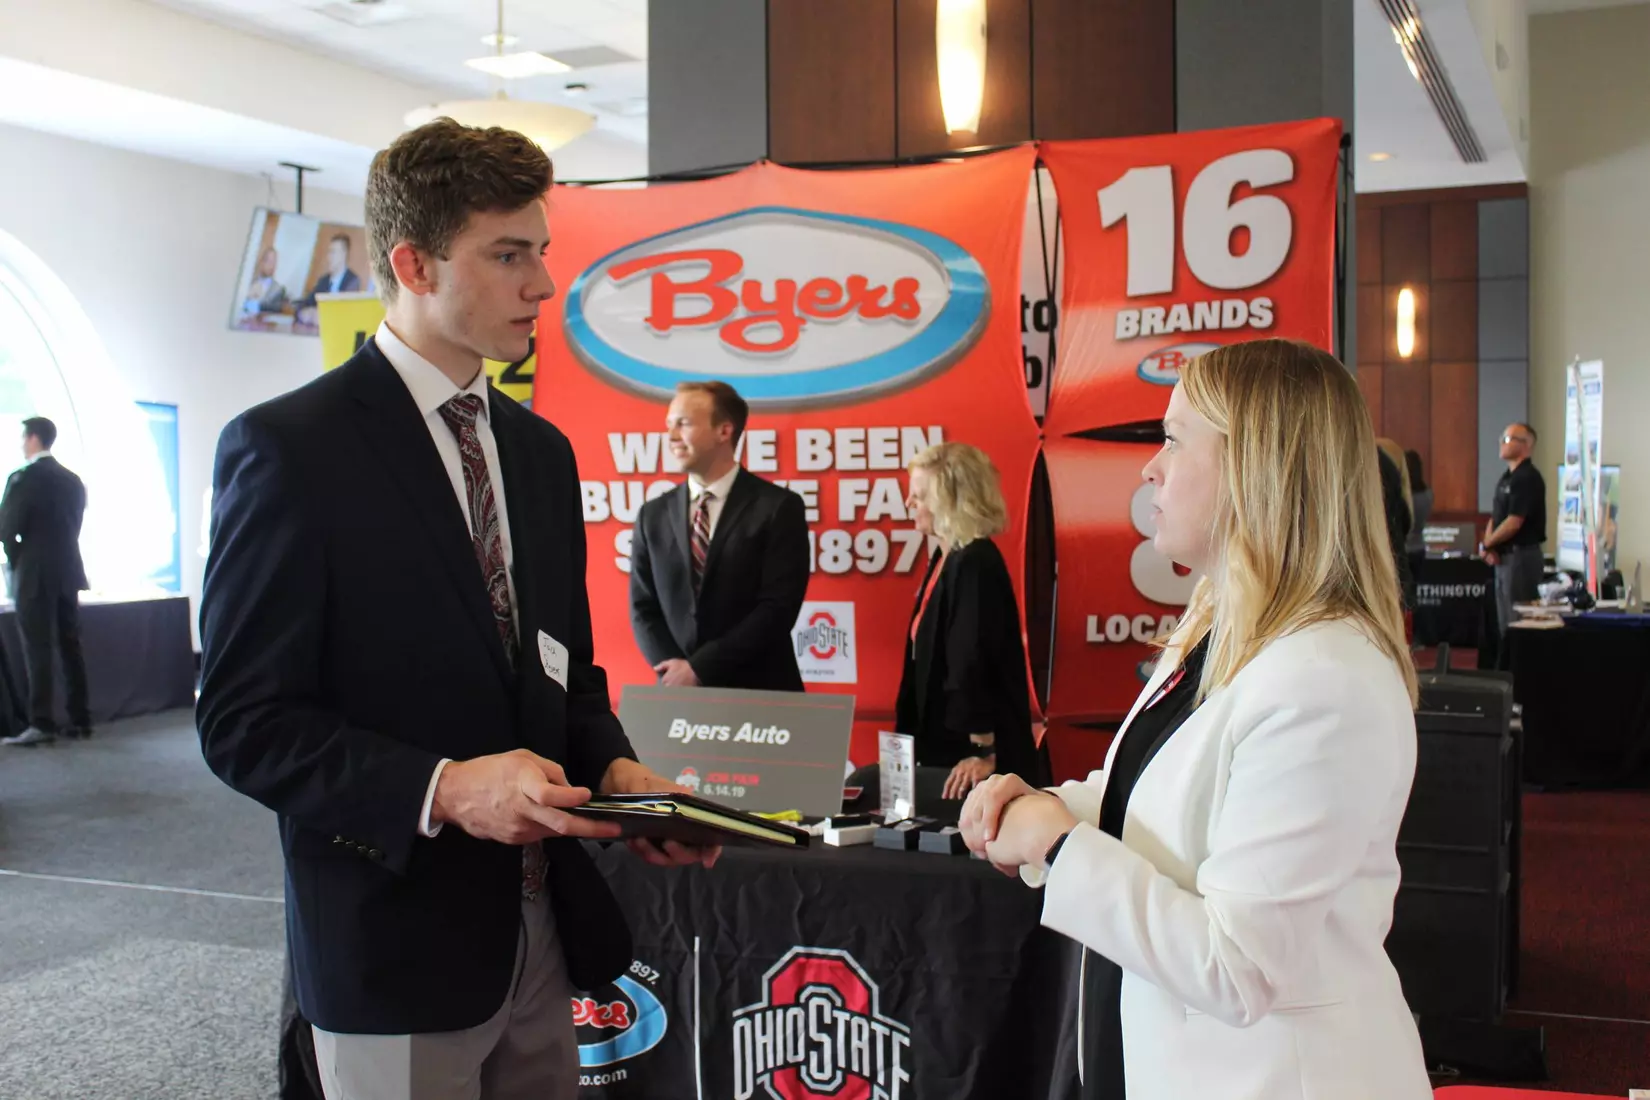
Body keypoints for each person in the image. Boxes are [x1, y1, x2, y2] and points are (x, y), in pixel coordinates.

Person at [197, 118, 716, 1100]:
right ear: (414, 263)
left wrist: (615, 769)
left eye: (543, 252)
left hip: (545, 934)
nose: (544, 285)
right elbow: (242, 722)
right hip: (394, 941)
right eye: (509, 254)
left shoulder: (539, 451)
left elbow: (564, 673)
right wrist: (443, 786)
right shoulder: (291, 450)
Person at [959, 339, 1430, 1100]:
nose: (1150, 468)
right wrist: (1046, 801)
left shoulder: (1326, 681)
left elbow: (1236, 966)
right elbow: (1147, 797)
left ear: (1255, 467)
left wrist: (1059, 840)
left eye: (1174, 440)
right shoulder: (1222, 622)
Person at [629, 381, 810, 690]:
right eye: (669, 425)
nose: (671, 436)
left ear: (724, 431)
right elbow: (643, 608)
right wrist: (675, 672)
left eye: (683, 424)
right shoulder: (652, 515)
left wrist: (700, 669)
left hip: (760, 693)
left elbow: (778, 607)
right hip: (678, 698)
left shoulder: (778, 507)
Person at [897, 442, 1047, 802]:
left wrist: (983, 752)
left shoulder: (975, 563)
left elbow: (971, 662)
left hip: (972, 763)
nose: (908, 503)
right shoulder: (946, 556)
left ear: (952, 499)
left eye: (919, 495)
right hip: (944, 755)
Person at [0, 417, 91, 747]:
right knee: (71, 644)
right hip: (69, 568)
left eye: (24, 438)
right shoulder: (72, 480)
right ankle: (81, 718)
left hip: (35, 572)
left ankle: (42, 722)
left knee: (37, 646)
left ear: (34, 438)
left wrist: (17, 560)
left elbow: (7, 528)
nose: (23, 444)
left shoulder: (23, 479)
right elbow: (77, 524)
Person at [1484, 423, 1547, 644]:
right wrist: (1489, 545)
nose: (1502, 442)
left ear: (1526, 445)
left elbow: (1514, 521)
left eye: (1509, 439)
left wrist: (1488, 543)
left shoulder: (1527, 477)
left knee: (1518, 620)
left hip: (1521, 557)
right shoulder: (1506, 478)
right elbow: (1496, 516)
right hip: (1503, 557)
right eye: (1503, 437)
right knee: (1504, 623)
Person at [1404, 448, 1432, 583]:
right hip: (1420, 547)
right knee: (1414, 591)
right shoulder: (1428, 495)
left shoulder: (1403, 496)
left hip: (1404, 549)